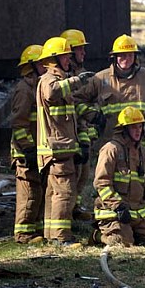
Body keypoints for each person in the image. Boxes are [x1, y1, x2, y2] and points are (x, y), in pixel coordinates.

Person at [36, 35, 94, 246]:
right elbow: (52, 93)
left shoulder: (59, 80)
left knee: (54, 193)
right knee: (65, 193)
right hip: (57, 149)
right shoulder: (49, 80)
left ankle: (51, 235)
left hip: (62, 147)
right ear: (54, 60)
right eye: (65, 57)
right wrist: (77, 80)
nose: (69, 60)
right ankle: (61, 237)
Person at [81, 34, 145, 155]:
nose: (126, 59)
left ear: (135, 57)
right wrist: (94, 117)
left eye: (130, 55)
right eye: (122, 55)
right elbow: (79, 100)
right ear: (114, 57)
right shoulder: (100, 79)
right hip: (111, 142)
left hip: (142, 143)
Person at [92, 107, 145, 247]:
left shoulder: (143, 153)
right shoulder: (111, 149)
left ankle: (133, 232)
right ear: (124, 129)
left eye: (140, 126)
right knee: (122, 243)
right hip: (114, 210)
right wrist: (118, 206)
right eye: (133, 127)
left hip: (136, 210)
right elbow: (101, 183)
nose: (138, 131)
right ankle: (98, 236)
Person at [9, 44, 46, 243]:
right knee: (29, 193)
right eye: (42, 63)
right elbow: (19, 123)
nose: (47, 66)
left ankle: (36, 231)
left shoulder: (39, 86)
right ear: (31, 66)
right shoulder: (24, 90)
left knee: (39, 191)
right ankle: (23, 234)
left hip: (37, 149)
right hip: (25, 152)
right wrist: (28, 148)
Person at [61, 28, 99, 220]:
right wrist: (91, 116)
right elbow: (76, 105)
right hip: (68, 134)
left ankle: (74, 208)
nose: (84, 53)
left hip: (82, 131)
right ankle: (65, 214)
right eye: (80, 49)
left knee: (83, 173)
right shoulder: (65, 78)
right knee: (73, 174)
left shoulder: (81, 73)